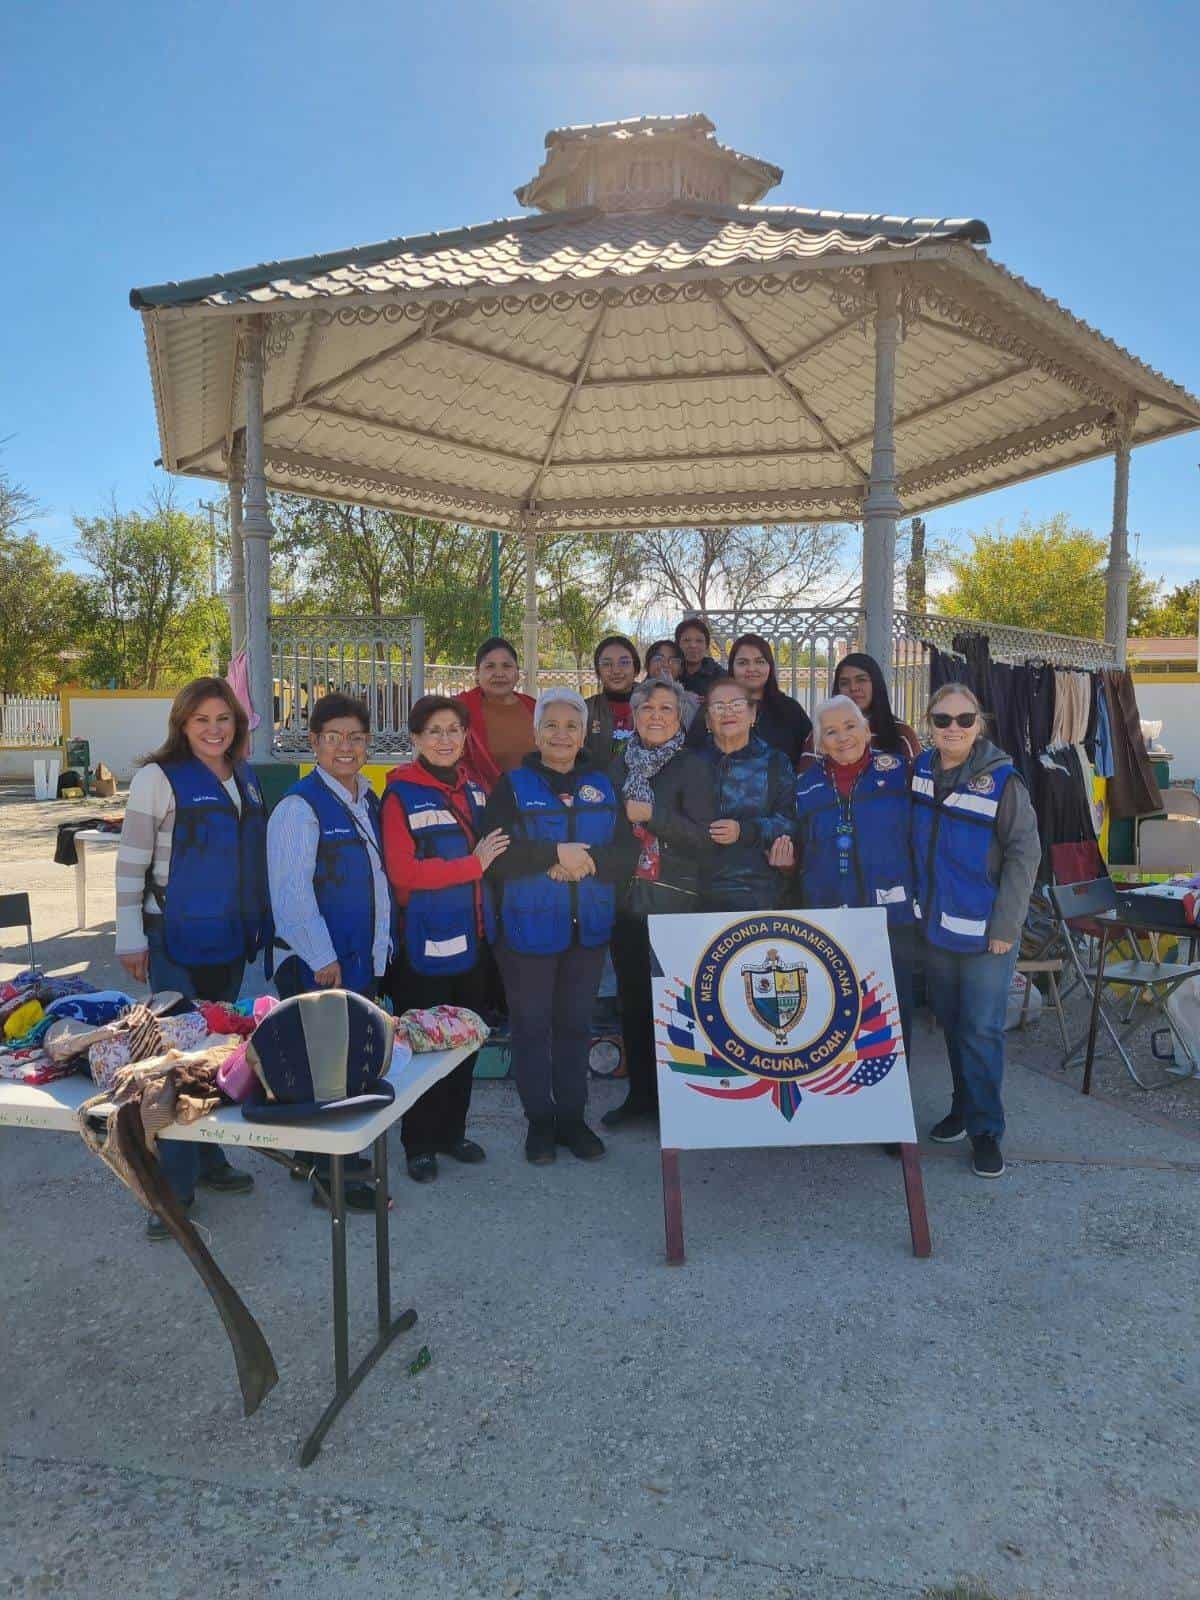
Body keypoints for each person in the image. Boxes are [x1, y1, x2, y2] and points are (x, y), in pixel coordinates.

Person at [114, 676, 267, 1237]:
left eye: (223, 719)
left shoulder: (244, 779)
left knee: (218, 1054)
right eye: (201, 720)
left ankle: (210, 1157)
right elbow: (130, 864)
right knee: (172, 1058)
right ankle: (171, 1189)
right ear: (182, 724)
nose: (213, 730)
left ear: (237, 724)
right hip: (171, 937)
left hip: (227, 938)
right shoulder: (158, 778)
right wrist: (129, 936)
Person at [480, 688, 637, 1164]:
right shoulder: (512, 786)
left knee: (574, 1026)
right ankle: (540, 1124)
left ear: (584, 731)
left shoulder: (606, 783)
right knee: (531, 1028)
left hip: (586, 929)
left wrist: (584, 862)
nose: (561, 734)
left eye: (571, 725)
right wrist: (552, 856)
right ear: (536, 732)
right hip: (528, 930)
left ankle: (573, 1118)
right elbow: (494, 854)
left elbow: (627, 855)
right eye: (551, 725)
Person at [267, 692, 394, 1212]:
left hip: (358, 958)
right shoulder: (299, 806)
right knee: (325, 1068)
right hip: (318, 963)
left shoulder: (367, 798)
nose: (345, 747)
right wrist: (322, 958)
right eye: (333, 737)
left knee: (342, 1065)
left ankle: (325, 1160)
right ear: (313, 742)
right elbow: (291, 893)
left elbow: (378, 880)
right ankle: (333, 1181)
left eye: (356, 737)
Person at [911, 682, 1040, 1179]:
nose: (953, 729)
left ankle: (987, 1130)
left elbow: (1025, 854)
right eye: (942, 720)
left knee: (982, 1030)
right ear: (930, 723)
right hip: (936, 928)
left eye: (964, 720)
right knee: (953, 1023)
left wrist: (1007, 924)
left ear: (979, 724)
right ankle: (963, 1107)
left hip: (987, 934)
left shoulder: (1003, 782)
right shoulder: (920, 770)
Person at [381, 696, 509, 1182]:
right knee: (424, 1045)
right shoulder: (400, 795)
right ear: (415, 740)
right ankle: (420, 1142)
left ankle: (453, 1132)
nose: (445, 739)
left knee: (465, 1043)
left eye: (454, 730)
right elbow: (403, 872)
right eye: (434, 731)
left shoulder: (474, 790)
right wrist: (470, 865)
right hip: (426, 944)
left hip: (474, 941)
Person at [775, 695, 918, 1052]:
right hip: (829, 917)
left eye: (851, 726)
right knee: (839, 1010)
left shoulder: (903, 772)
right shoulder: (804, 787)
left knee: (892, 1009)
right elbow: (800, 853)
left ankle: (894, 1102)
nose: (843, 737)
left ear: (867, 729)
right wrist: (787, 862)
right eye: (832, 731)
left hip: (892, 915)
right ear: (820, 743)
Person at [603, 679, 714, 1129]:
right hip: (625, 901)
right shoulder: (616, 765)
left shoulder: (693, 766)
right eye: (647, 707)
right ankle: (641, 1098)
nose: (655, 715)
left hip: (674, 902)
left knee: (678, 1004)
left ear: (680, 717)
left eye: (666, 708)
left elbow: (704, 838)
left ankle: (684, 1099)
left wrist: (653, 817)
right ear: (634, 714)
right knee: (632, 1000)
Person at [699, 676, 795, 911]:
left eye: (737, 705)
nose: (728, 712)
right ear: (707, 720)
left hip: (760, 891)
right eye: (719, 707)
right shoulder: (690, 763)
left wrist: (745, 831)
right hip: (698, 895)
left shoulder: (775, 762)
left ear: (752, 715)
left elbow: (790, 822)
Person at [800, 653, 921, 761]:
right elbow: (806, 781)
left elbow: (917, 781)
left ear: (876, 684)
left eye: (861, 680)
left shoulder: (902, 733)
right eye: (844, 683)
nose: (853, 688)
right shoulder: (822, 732)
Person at [455, 636, 536, 791]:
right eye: (490, 666)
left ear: (517, 674)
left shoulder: (534, 708)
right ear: (477, 674)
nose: (499, 673)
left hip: (535, 805)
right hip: (480, 805)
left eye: (506, 666)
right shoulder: (460, 709)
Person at [584, 634, 642, 766]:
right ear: (598, 671)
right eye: (607, 664)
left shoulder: (653, 706)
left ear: (636, 668)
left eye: (624, 662)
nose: (616, 670)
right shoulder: (585, 710)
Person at [643, 639, 701, 729]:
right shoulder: (635, 698)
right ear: (647, 665)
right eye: (658, 659)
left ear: (681, 669)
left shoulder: (692, 702)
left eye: (674, 660)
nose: (666, 664)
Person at [674, 617, 722, 696]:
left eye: (699, 641)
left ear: (706, 646)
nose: (693, 645)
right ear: (677, 645)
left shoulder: (719, 676)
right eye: (686, 640)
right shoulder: (669, 672)